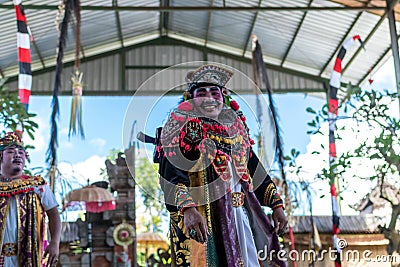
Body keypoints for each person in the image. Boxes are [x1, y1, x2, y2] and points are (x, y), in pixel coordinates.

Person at [157, 64, 288, 266]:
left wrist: (276, 205)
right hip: (203, 215)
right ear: (191, 98)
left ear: (224, 96)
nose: (209, 97)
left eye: (214, 92)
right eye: (202, 92)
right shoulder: (180, 127)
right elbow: (170, 175)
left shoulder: (237, 129)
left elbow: (255, 170)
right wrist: (188, 210)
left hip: (241, 213)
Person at [0, 132, 61, 266]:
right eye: (11, 151)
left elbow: (54, 214)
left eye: (21, 153)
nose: (17, 155)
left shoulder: (37, 185)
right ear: (1, 157)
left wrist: (55, 243)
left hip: (29, 253)